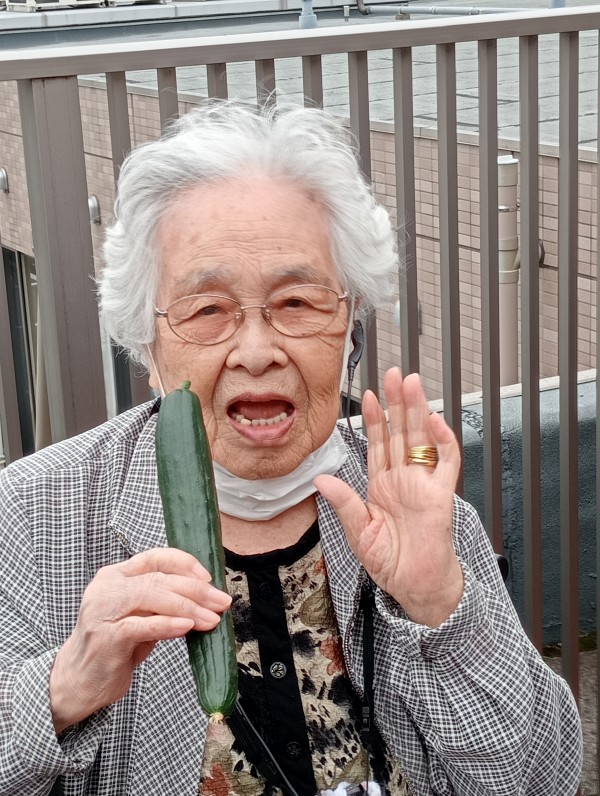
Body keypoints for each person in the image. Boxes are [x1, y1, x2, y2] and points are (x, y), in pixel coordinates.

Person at [0, 102, 581, 796]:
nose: (256, 351)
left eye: (298, 303)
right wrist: (60, 692)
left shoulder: (410, 501)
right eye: (207, 309)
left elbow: (543, 777)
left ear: (349, 326)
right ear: (148, 347)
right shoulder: (32, 515)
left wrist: (439, 603)